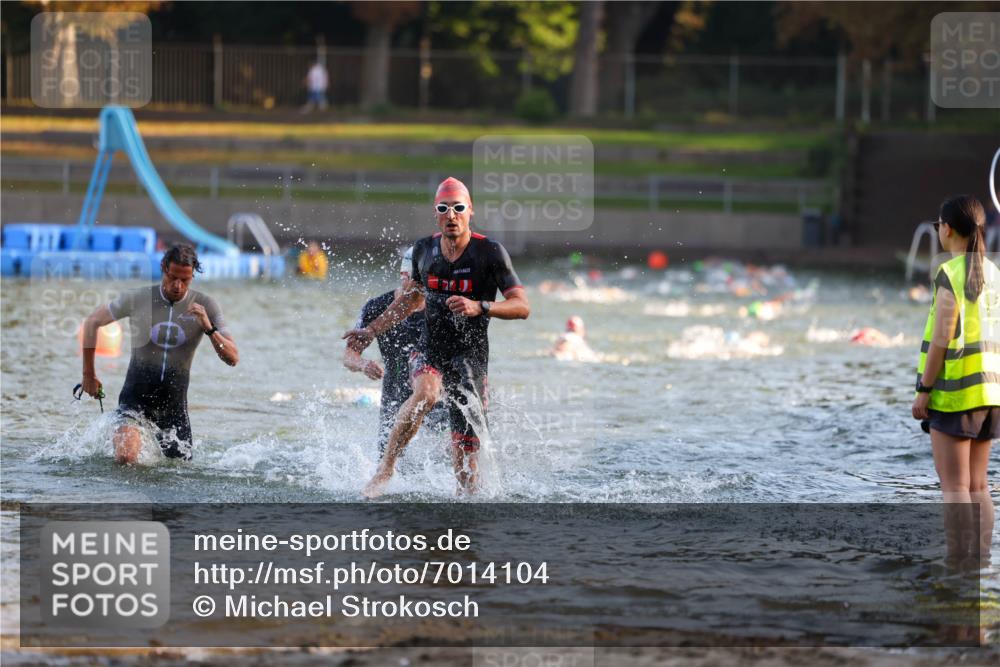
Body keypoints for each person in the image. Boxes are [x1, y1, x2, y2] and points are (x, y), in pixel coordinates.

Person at [343, 177, 530, 497]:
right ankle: (385, 471)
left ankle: (459, 529)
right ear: (436, 213)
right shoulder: (423, 251)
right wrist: (372, 331)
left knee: (467, 481)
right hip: (430, 351)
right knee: (427, 392)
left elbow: (522, 306)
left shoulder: (491, 253)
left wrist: (481, 306)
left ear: (470, 210)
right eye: (444, 208)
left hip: (469, 358)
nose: (451, 215)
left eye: (458, 208)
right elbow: (412, 299)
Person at [80, 244, 239, 464]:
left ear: (193, 275)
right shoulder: (138, 298)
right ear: (164, 267)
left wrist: (208, 327)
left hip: (174, 409)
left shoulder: (207, 306)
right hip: (134, 402)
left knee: (176, 474)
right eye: (173, 277)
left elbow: (232, 358)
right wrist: (89, 374)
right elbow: (92, 323)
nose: (178, 286)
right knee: (126, 457)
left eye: (185, 280)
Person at [911, 195, 997, 563]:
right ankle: (981, 561)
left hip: (955, 395)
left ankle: (958, 565)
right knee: (980, 486)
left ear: (946, 229)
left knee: (955, 488)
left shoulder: (950, 272)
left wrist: (923, 391)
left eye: (938, 226)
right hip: (991, 393)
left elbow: (942, 340)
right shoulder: (994, 273)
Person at [343, 246, 446, 454]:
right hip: (395, 394)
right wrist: (364, 365)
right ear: (404, 276)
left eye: (428, 280)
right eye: (418, 280)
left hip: (435, 394)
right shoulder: (377, 307)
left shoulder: (442, 306)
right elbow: (349, 355)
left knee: (451, 457)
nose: (423, 287)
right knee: (389, 462)